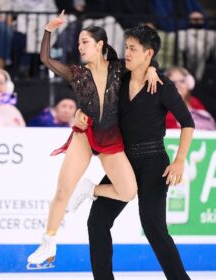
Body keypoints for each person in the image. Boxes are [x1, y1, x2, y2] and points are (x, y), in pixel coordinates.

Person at [26, 11, 162, 269]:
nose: (80, 47)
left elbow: (144, 62)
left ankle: (90, 189)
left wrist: (153, 69)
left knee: (129, 191)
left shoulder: (119, 68)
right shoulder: (77, 73)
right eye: (78, 43)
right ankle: (48, 243)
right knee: (63, 190)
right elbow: (45, 58)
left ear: (100, 45)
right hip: (85, 136)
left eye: (85, 42)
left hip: (111, 138)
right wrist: (47, 30)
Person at [74, 25, 194, 279]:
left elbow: (188, 123)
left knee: (154, 228)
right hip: (124, 162)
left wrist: (180, 160)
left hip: (153, 162)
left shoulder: (162, 86)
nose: (127, 53)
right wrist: (79, 112)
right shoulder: (119, 77)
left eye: (133, 49)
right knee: (97, 222)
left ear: (148, 54)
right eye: (126, 47)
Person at [165, 66, 216, 130]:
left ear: (190, 83)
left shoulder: (196, 105)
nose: (178, 85)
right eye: (173, 82)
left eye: (182, 81)